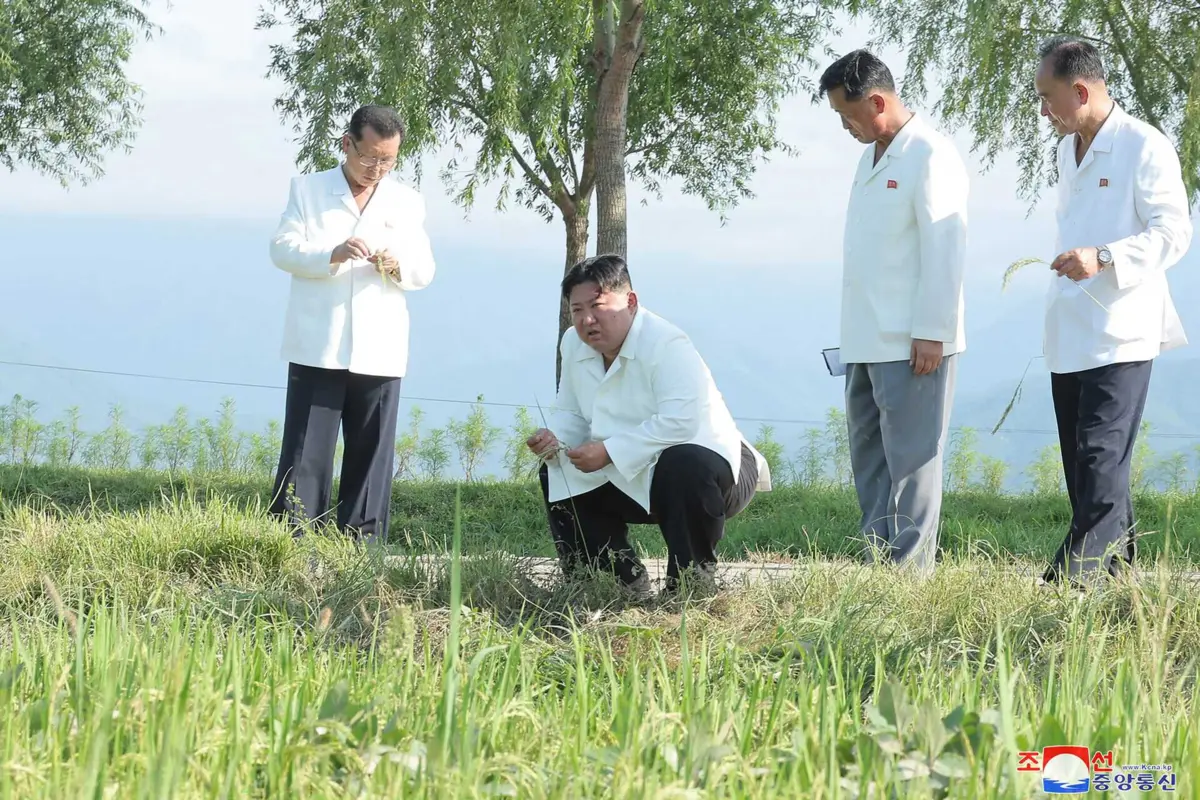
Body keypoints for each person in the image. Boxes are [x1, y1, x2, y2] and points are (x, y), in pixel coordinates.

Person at [1034, 37, 1192, 586]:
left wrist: (1102, 257)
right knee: (1087, 474)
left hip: (1122, 332)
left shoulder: (1144, 146)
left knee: (1101, 463)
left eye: (1048, 97)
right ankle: (1121, 591)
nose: (1044, 110)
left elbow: (1174, 233)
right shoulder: (1064, 151)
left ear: (1081, 90)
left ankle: (1067, 590)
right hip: (1069, 332)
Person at [526, 254, 772, 596]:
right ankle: (613, 582)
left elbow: (681, 423)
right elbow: (571, 412)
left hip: (715, 469)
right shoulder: (572, 343)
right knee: (559, 469)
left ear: (630, 301)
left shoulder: (666, 343)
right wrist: (555, 441)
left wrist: (610, 451)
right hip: (634, 468)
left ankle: (690, 588)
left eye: (597, 306)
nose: (587, 320)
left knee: (684, 463)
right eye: (577, 310)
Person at [818, 49, 970, 574]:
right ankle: (879, 565)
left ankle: (908, 577)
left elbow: (944, 248)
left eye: (847, 114)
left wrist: (932, 331)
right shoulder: (871, 158)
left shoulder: (931, 154)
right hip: (864, 338)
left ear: (878, 101)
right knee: (871, 461)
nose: (844, 126)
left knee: (912, 463)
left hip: (912, 341)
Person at [267, 104, 436, 543]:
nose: (377, 169)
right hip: (318, 343)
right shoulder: (307, 190)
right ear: (347, 145)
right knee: (306, 451)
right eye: (369, 158)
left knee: (372, 453)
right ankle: (291, 541)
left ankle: (361, 546)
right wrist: (332, 254)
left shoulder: (406, 200)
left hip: (380, 347)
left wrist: (398, 266)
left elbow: (425, 269)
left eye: (388, 161)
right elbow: (282, 250)